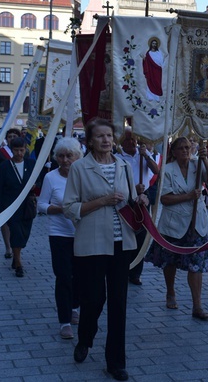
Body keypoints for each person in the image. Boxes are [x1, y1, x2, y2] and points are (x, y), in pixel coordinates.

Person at [63, 119, 144, 380]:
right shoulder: (79, 168)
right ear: (89, 140)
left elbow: (130, 200)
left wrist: (140, 199)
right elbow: (70, 208)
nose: (106, 140)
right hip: (92, 243)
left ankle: (115, 362)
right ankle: (86, 337)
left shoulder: (124, 165)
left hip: (122, 244)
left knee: (119, 302)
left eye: (109, 135)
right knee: (94, 299)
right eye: (100, 136)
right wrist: (101, 202)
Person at [145, 136, 208, 320]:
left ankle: (197, 305)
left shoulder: (197, 164)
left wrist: (205, 160)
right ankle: (170, 292)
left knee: (196, 264)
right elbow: (164, 199)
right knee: (170, 260)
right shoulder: (167, 170)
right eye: (181, 148)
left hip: (196, 224)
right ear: (174, 152)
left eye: (188, 147)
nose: (186, 151)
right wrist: (187, 196)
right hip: (174, 224)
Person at [37, 137, 83, 340]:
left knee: (81, 276)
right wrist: (60, 209)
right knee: (63, 277)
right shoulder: (51, 178)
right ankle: (64, 321)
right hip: (59, 235)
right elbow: (41, 205)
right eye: (61, 156)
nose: (65, 160)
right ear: (56, 158)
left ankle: (75, 307)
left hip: (83, 234)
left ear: (78, 157)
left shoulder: (84, 176)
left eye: (69, 156)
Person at [116, 128, 160, 286]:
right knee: (126, 234)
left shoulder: (143, 155)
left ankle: (136, 272)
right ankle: (124, 268)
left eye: (133, 139)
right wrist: (133, 188)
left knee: (141, 235)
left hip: (142, 198)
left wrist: (146, 155)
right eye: (127, 139)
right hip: (125, 198)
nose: (131, 142)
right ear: (121, 141)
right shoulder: (117, 157)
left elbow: (156, 171)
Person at [0, 137, 37, 278]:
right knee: (16, 233)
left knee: (24, 234)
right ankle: (19, 264)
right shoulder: (4, 166)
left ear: (25, 150)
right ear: (11, 150)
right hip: (10, 205)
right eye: (16, 150)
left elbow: (38, 180)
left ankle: (16, 256)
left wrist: (36, 186)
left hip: (27, 206)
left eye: (21, 150)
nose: (19, 153)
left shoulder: (31, 164)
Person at [142, 37, 163, 102]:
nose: (154, 45)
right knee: (150, 82)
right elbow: (146, 61)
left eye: (155, 44)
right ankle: (150, 97)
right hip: (150, 70)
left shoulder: (159, 53)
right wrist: (144, 59)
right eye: (153, 43)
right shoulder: (148, 53)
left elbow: (161, 61)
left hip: (157, 70)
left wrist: (159, 65)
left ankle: (157, 97)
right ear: (151, 44)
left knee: (157, 83)